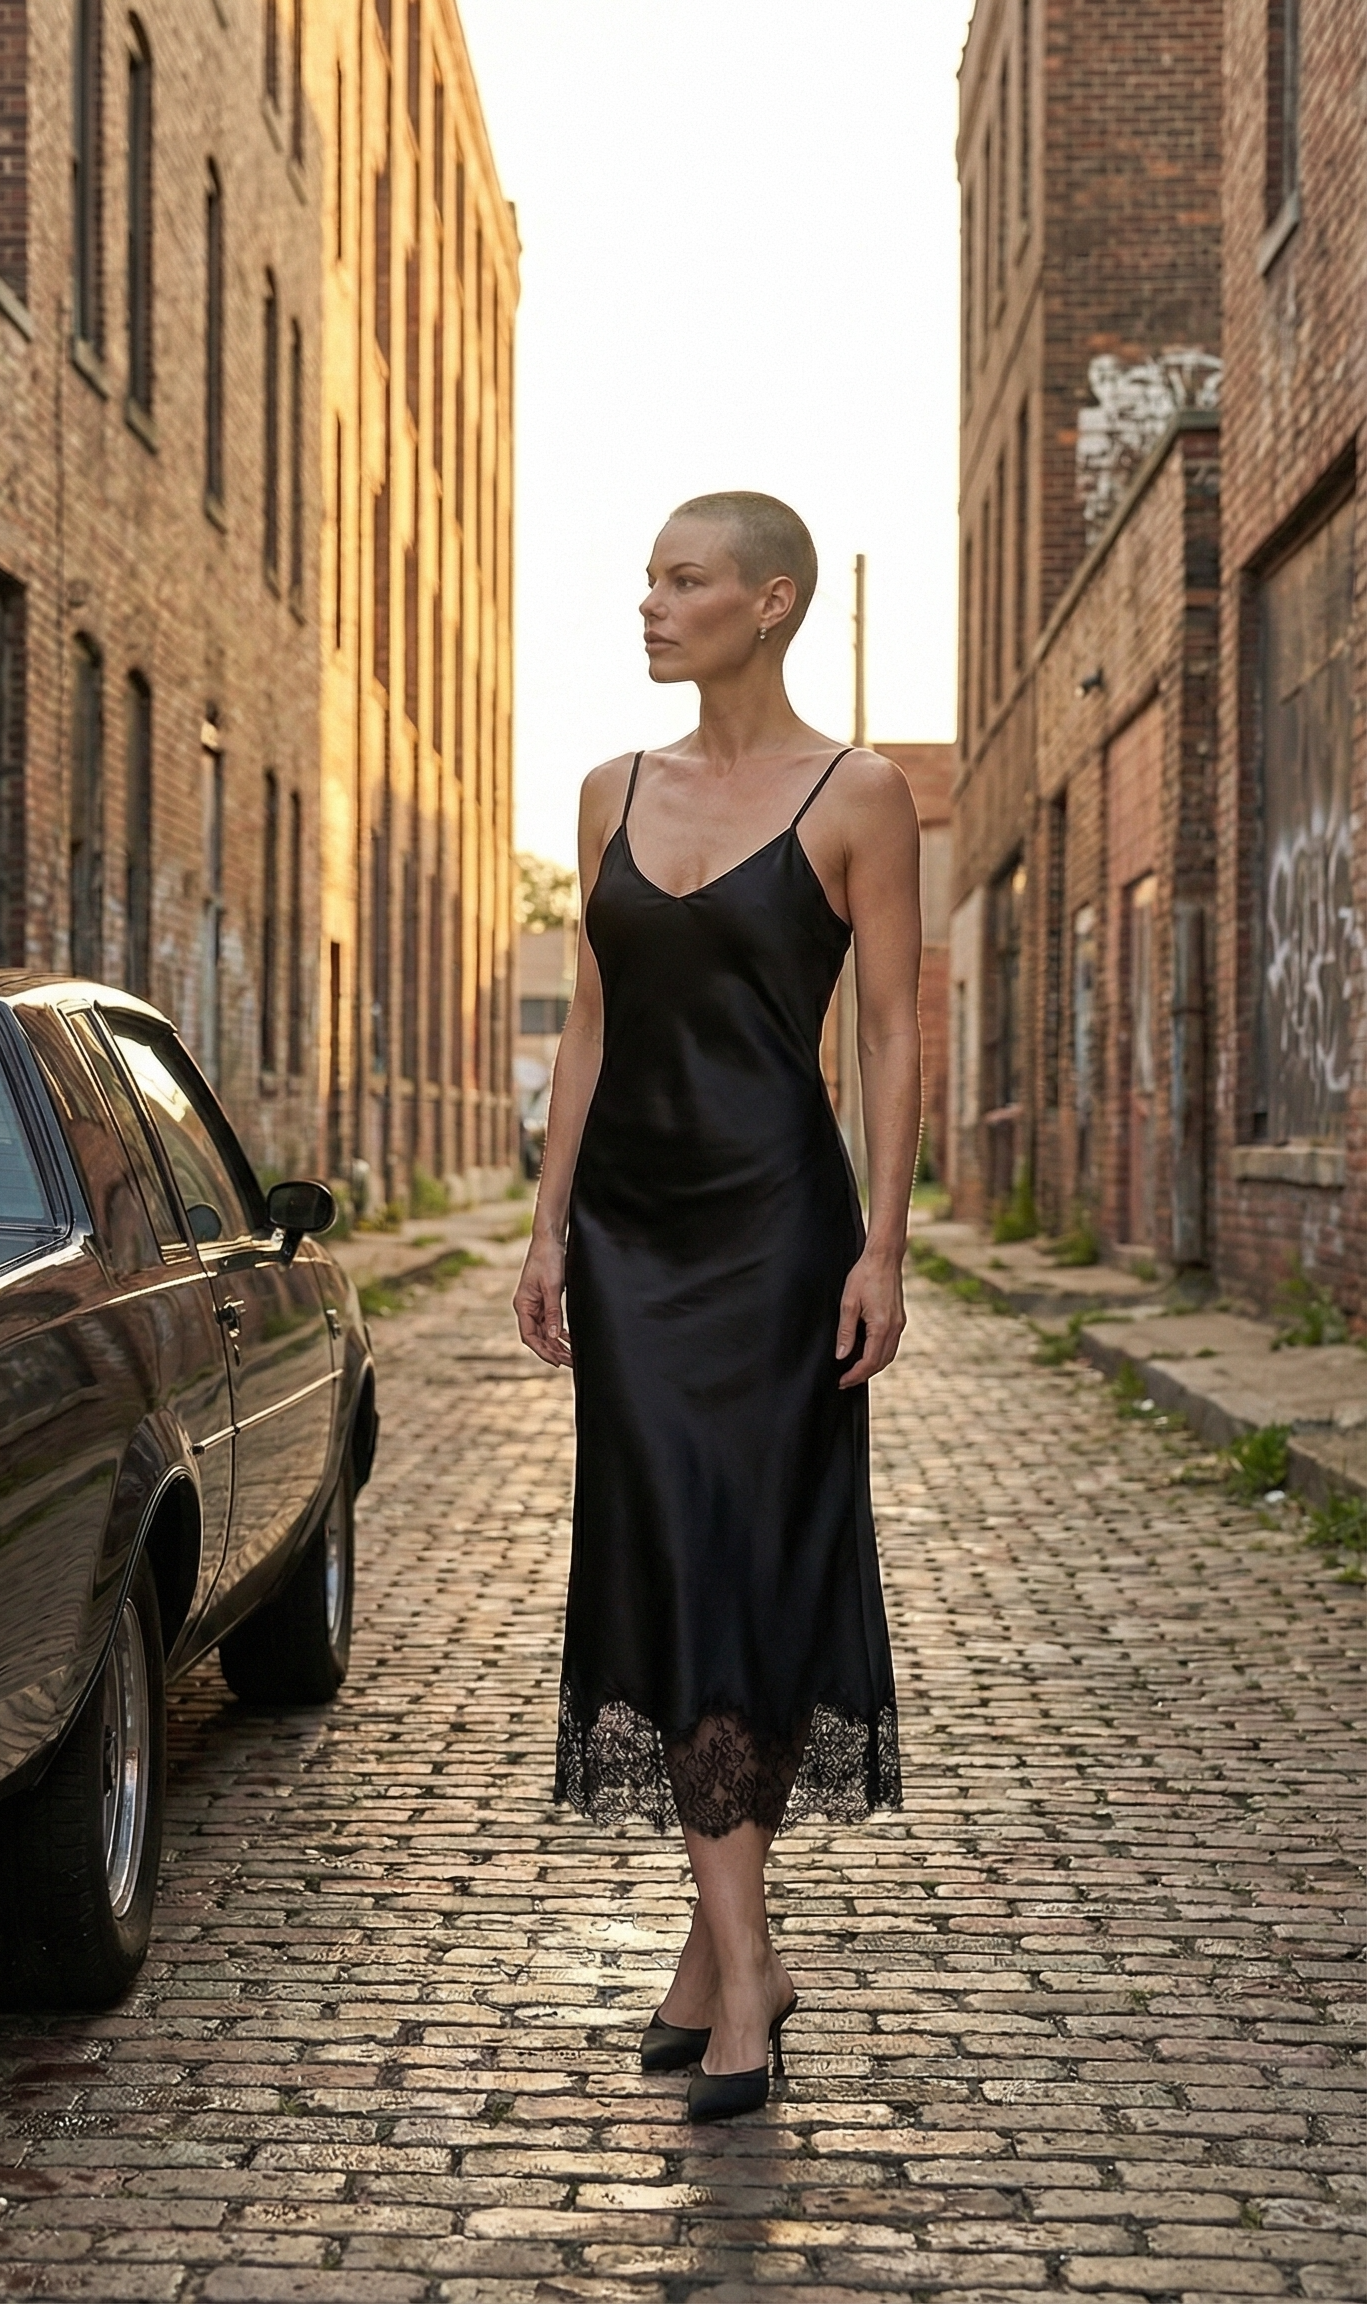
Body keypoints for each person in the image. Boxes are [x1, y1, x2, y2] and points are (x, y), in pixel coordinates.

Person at [513, 492, 920, 2122]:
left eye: (685, 580)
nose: (652, 602)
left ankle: (727, 1966)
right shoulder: (610, 788)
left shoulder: (861, 794)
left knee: (745, 1562)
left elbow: (888, 1030)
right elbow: (592, 1030)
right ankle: (741, 1960)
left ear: (771, 603)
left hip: (776, 1242)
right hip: (629, 1240)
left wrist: (884, 1245)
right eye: (647, 578)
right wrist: (545, 1229)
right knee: (659, 1551)